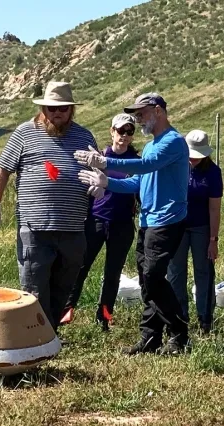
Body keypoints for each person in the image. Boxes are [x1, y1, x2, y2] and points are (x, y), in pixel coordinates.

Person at [75, 93, 190, 355]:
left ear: (158, 111)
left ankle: (179, 333)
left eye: (141, 114)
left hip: (167, 220)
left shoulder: (171, 142)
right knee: (148, 279)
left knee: (151, 277)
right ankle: (151, 337)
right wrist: (108, 183)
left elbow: (147, 165)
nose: (138, 120)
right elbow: (139, 182)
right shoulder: (152, 145)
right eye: (135, 115)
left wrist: (106, 162)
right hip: (149, 220)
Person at [0, 81, 96, 332]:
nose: (56, 113)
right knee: (34, 290)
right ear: (42, 109)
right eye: (50, 108)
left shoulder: (84, 136)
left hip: (74, 230)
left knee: (64, 288)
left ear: (71, 110)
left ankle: (49, 335)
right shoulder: (24, 133)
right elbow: (2, 169)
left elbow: (96, 171)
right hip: (35, 230)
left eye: (62, 109)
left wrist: (98, 186)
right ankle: (34, 340)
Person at [61, 113, 139, 331]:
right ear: (112, 131)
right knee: (80, 268)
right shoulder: (100, 156)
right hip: (96, 220)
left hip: (122, 224)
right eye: (120, 130)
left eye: (129, 131)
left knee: (112, 273)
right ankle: (66, 312)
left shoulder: (136, 162)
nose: (124, 135)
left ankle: (104, 317)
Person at [167, 130, 223, 334]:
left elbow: (214, 208)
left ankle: (205, 318)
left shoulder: (213, 173)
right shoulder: (177, 167)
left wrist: (213, 239)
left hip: (202, 228)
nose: (193, 159)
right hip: (177, 226)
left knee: (204, 271)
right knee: (175, 272)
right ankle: (179, 317)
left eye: (198, 156)